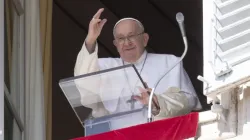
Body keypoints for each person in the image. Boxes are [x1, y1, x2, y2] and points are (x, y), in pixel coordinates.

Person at [74, 8, 202, 130]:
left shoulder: (169, 62)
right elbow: (83, 83)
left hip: (161, 134)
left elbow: (189, 100)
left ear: (144, 39)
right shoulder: (105, 66)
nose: (127, 42)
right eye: (121, 38)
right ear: (116, 45)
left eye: (132, 36)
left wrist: (159, 102)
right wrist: (90, 40)